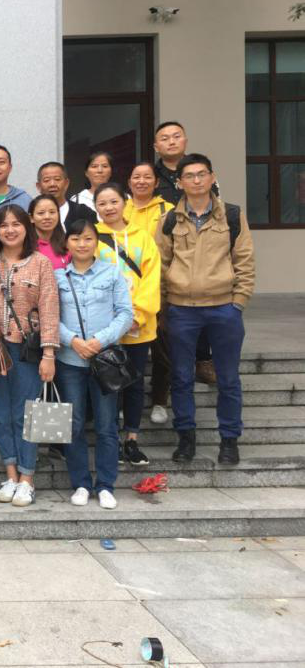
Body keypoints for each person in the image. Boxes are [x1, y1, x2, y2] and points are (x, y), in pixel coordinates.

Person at [156, 154, 255, 466]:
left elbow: (244, 261)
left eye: (202, 174)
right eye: (190, 176)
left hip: (224, 308)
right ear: (180, 182)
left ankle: (229, 439)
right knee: (181, 377)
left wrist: (238, 302)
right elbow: (161, 265)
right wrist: (163, 307)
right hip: (182, 310)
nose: (196, 180)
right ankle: (186, 438)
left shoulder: (233, 216)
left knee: (228, 379)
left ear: (212, 177)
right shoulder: (169, 220)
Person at [0, 204, 59, 507]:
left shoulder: (40, 263)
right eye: (3, 225)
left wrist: (49, 353)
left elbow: (50, 308)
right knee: (1, 414)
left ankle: (27, 478)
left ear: (27, 228)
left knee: (27, 414)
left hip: (27, 349)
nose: (10, 230)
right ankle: (11, 474)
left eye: (16, 224)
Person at [55, 219, 134, 510]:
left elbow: (125, 314)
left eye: (88, 238)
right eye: (75, 238)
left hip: (105, 361)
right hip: (69, 361)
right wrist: (73, 340)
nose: (82, 244)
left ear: (96, 241)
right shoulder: (57, 277)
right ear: (67, 243)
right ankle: (80, 483)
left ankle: (105, 485)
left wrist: (100, 340)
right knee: (73, 424)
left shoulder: (111, 272)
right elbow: (50, 317)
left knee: (106, 424)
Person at [93, 183, 161, 467]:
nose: (108, 208)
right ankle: (109, 439)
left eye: (114, 201)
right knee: (108, 384)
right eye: (102, 203)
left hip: (137, 326)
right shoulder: (92, 236)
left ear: (125, 202)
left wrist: (136, 316)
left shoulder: (143, 237)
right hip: (105, 327)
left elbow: (152, 279)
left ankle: (131, 439)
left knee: (133, 383)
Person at [152, 121, 220, 386]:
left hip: (202, 248)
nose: (171, 141)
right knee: (171, 313)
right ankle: (171, 370)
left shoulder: (199, 171)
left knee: (202, 306)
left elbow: (216, 207)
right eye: (165, 138)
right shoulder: (151, 175)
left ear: (185, 140)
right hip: (166, 248)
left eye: (176, 136)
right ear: (156, 146)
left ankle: (203, 359)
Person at [124, 161, 176, 425]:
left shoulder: (169, 210)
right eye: (136, 177)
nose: (141, 181)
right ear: (129, 182)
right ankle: (123, 400)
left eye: (147, 177)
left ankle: (159, 400)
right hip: (125, 292)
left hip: (161, 288)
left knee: (161, 349)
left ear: (156, 182)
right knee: (126, 350)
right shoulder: (120, 208)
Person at [36, 161, 97, 232]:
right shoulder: (32, 214)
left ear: (66, 183)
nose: (52, 184)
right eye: (46, 180)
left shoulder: (84, 212)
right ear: (38, 186)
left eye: (57, 179)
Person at [29, 194, 70, 271]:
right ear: (31, 218)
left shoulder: (67, 244)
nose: (47, 217)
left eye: (52, 212)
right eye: (41, 213)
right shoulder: (26, 246)